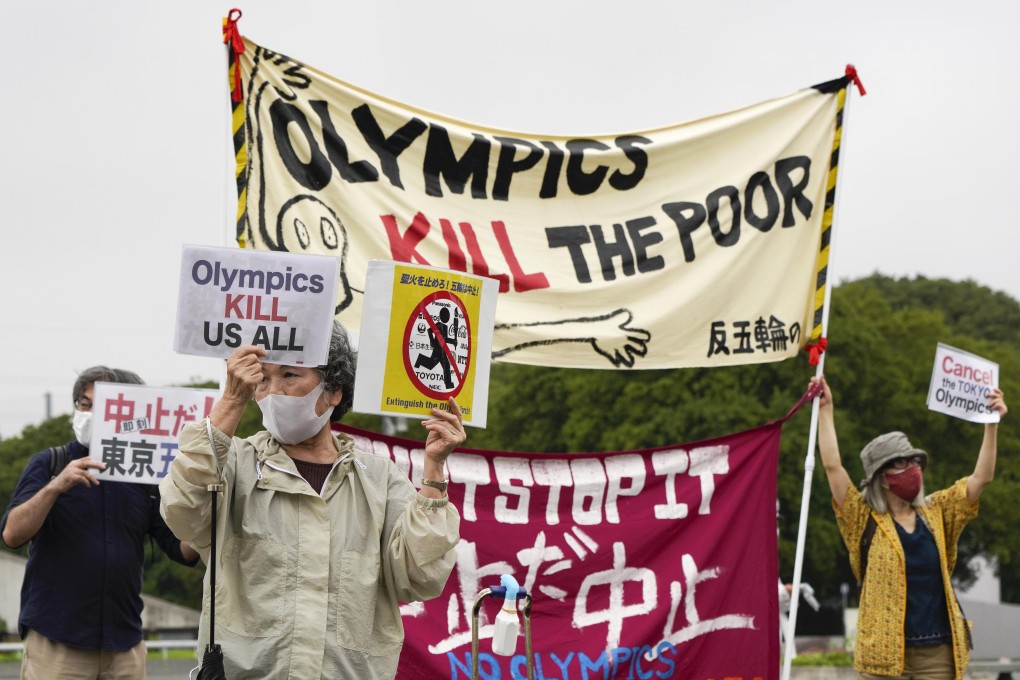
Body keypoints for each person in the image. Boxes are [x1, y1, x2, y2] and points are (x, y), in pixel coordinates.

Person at [160, 321, 464, 679]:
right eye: (262, 379)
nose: (274, 392)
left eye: (290, 375)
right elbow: (182, 511)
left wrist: (434, 470)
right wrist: (230, 400)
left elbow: (420, 577)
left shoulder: (378, 479)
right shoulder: (235, 465)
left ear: (333, 390)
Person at [0, 366, 200, 680]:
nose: (91, 413)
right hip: (58, 641)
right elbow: (12, 533)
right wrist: (55, 486)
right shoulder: (50, 463)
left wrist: (203, 506)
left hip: (125, 643)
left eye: (104, 406)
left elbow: (182, 550)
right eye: (84, 404)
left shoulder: (147, 474)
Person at [812, 374, 1007, 679]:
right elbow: (833, 466)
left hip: (938, 654)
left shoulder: (938, 510)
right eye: (899, 463)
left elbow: (982, 478)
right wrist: (826, 410)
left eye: (913, 461)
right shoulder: (862, 517)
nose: (911, 469)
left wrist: (991, 424)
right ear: (881, 477)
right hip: (883, 658)